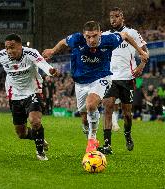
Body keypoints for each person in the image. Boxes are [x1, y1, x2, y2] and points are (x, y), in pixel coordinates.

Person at [42, 21, 148, 152]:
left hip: (101, 77)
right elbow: (64, 41)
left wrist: (140, 52)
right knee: (84, 118)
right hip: (80, 82)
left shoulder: (108, 40)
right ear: (83, 35)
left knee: (91, 105)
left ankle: (92, 139)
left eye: (95, 36)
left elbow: (125, 35)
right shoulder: (76, 39)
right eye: (88, 36)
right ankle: (88, 131)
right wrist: (53, 50)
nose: (91, 40)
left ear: (100, 34)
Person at [0, 33, 60, 161]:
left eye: (12, 47)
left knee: (35, 121)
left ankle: (40, 152)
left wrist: (50, 71)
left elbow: (42, 64)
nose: (9, 51)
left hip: (33, 91)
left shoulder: (31, 53)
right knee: (21, 133)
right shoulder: (1, 56)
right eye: (7, 47)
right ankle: (39, 138)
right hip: (14, 94)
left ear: (21, 46)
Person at [98, 7, 149, 154]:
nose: (113, 19)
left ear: (122, 18)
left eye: (116, 16)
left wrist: (142, 65)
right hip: (110, 78)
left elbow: (145, 51)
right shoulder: (106, 35)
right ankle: (107, 145)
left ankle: (127, 134)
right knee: (107, 108)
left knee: (127, 113)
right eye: (111, 16)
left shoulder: (132, 33)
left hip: (127, 78)